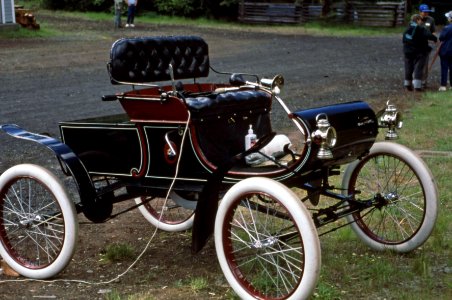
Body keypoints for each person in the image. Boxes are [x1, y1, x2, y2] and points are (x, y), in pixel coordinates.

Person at [403, 14, 438, 91]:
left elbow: (404, 40)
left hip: (408, 51)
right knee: (418, 68)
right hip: (419, 51)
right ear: (418, 20)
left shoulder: (407, 28)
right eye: (420, 20)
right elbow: (429, 35)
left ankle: (407, 84)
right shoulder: (421, 28)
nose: (421, 22)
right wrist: (435, 39)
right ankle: (417, 86)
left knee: (408, 67)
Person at [419, 4, 436, 88]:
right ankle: (415, 80)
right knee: (416, 63)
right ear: (420, 12)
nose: (426, 14)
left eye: (427, 12)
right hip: (416, 45)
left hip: (426, 45)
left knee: (425, 63)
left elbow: (433, 31)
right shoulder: (416, 19)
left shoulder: (431, 20)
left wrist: (433, 39)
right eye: (424, 12)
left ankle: (423, 81)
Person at [438, 11, 452, 91]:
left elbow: (441, 37)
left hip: (446, 51)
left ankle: (443, 85)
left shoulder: (447, 28)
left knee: (444, 68)